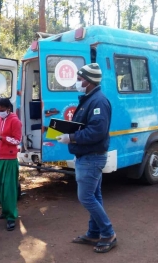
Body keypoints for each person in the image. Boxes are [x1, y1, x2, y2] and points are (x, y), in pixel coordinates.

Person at [57, 63, 117, 253]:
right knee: (95, 196)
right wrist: (67, 131)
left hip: (92, 157)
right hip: (86, 155)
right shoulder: (89, 99)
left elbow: (97, 132)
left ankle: (108, 233)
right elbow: (85, 126)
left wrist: (71, 137)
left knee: (85, 197)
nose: (77, 82)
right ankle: (93, 232)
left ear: (89, 81)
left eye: (80, 79)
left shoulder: (98, 101)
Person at [0, 98, 22, 231]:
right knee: (1, 187)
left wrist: (2, 138)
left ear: (8, 108)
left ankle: (11, 217)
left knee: (9, 188)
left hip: (9, 159)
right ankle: (5, 210)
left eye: (2, 110)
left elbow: (17, 140)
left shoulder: (15, 121)